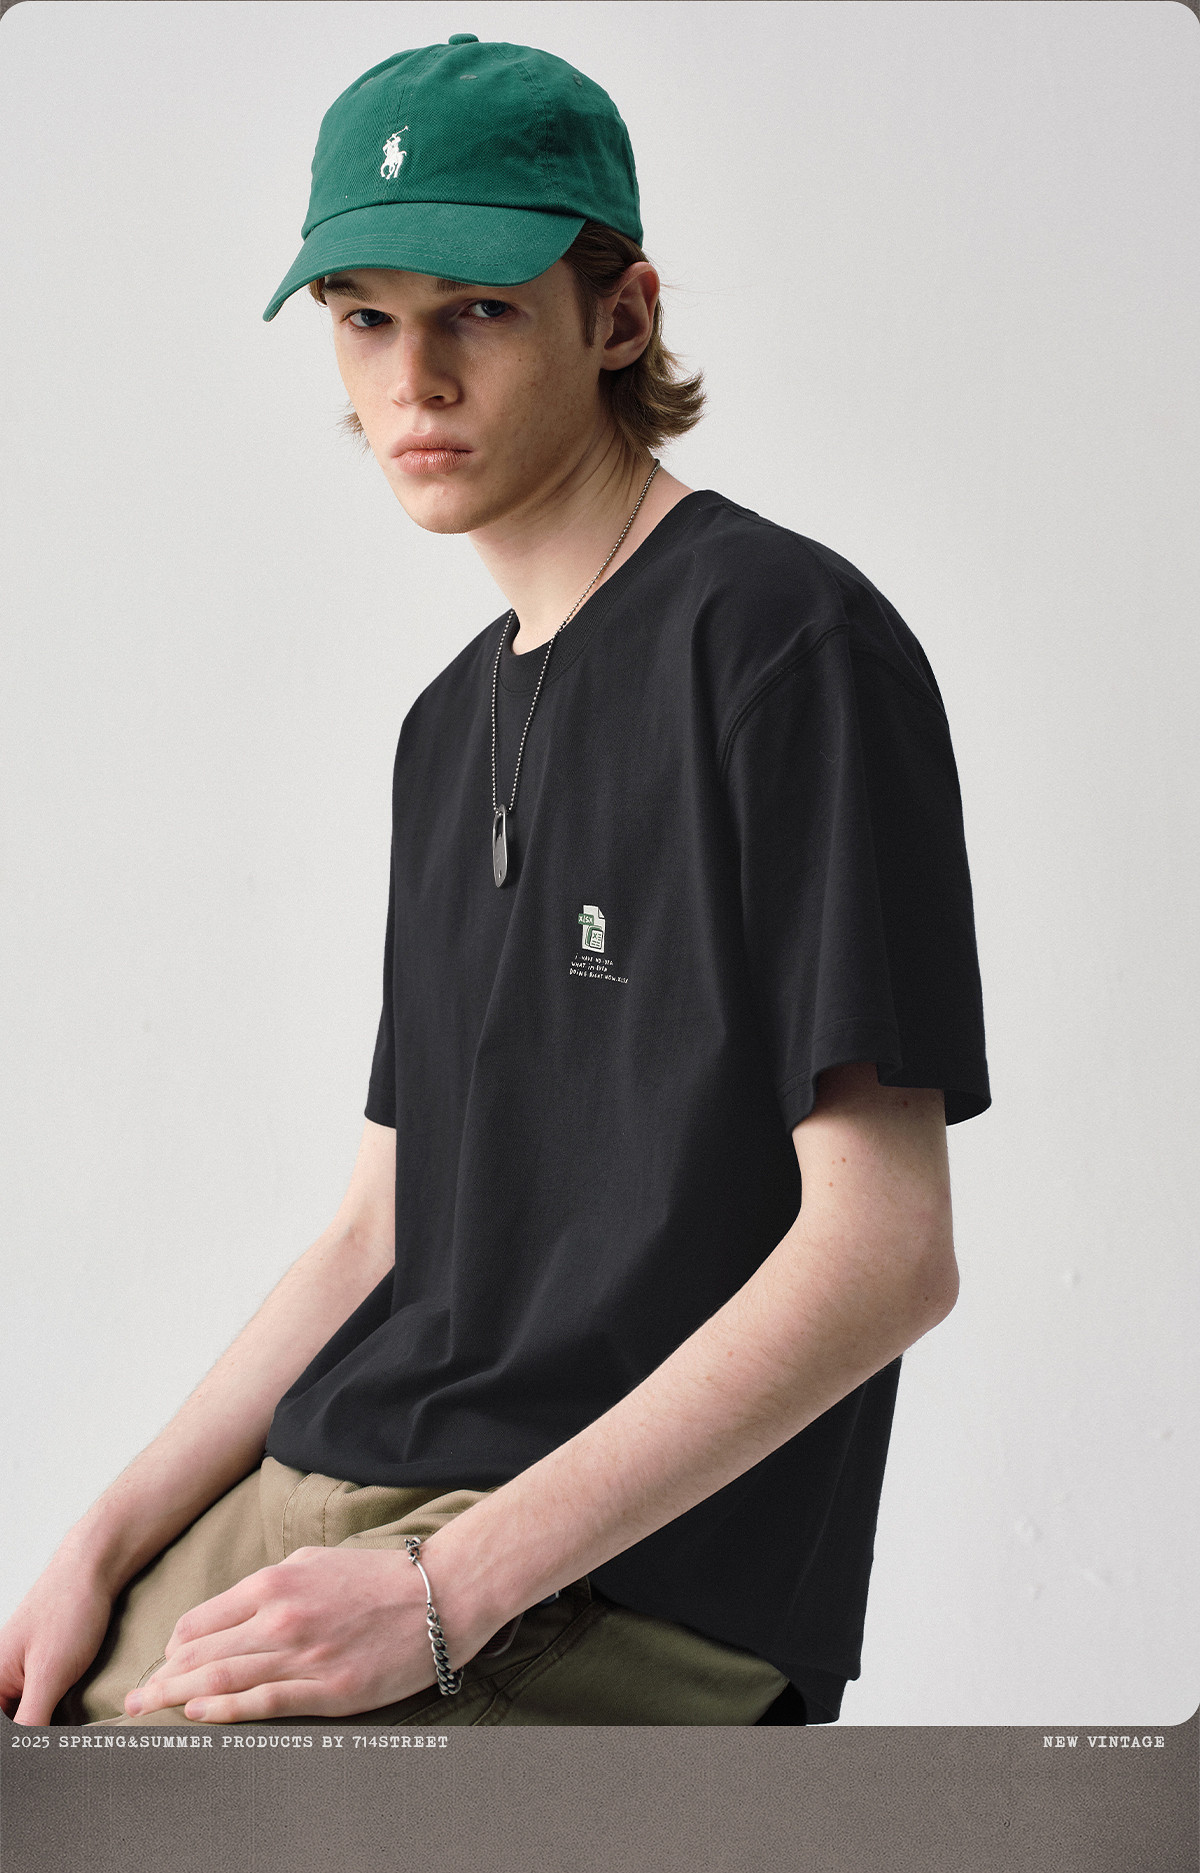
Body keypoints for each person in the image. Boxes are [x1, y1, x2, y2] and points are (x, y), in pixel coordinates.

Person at [1, 34, 990, 1731]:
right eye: (364, 318)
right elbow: (380, 1226)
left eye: (476, 309)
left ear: (619, 316)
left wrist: (443, 1595)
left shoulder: (786, 647)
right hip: (335, 1488)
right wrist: (102, 1535)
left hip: (597, 1567)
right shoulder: (441, 728)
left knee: (116, 1830)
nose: (415, 381)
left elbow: (887, 1250)